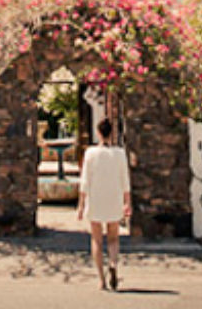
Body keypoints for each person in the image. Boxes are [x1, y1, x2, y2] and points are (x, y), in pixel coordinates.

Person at [76, 117, 131, 290]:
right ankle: (113, 263)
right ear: (111, 133)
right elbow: (125, 180)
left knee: (97, 240)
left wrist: (81, 205)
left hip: (96, 198)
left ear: (98, 133)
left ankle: (101, 279)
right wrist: (127, 202)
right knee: (113, 238)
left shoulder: (90, 153)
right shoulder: (120, 154)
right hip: (114, 198)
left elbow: (85, 181)